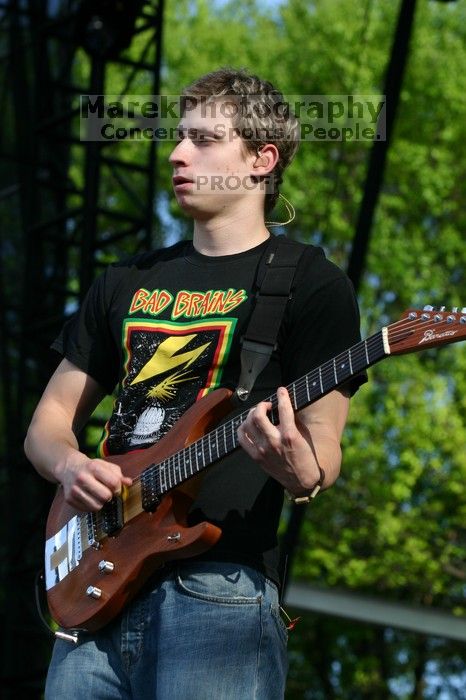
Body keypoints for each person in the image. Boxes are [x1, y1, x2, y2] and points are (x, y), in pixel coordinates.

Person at [25, 68, 365, 699]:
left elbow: (322, 450)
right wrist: (72, 467)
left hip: (218, 594)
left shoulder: (310, 283)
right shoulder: (125, 278)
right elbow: (45, 427)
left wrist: (301, 471)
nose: (178, 155)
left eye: (204, 140)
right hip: (95, 590)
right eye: (180, 138)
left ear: (262, 160)